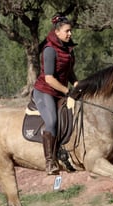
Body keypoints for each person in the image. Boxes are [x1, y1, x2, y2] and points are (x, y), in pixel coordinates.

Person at [33, 13, 78, 175]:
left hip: (60, 92)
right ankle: (50, 162)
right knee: (52, 121)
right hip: (45, 91)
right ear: (57, 32)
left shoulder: (68, 48)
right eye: (67, 31)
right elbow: (50, 79)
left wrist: (78, 84)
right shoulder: (49, 50)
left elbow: (69, 72)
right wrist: (67, 90)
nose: (70, 33)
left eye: (70, 30)